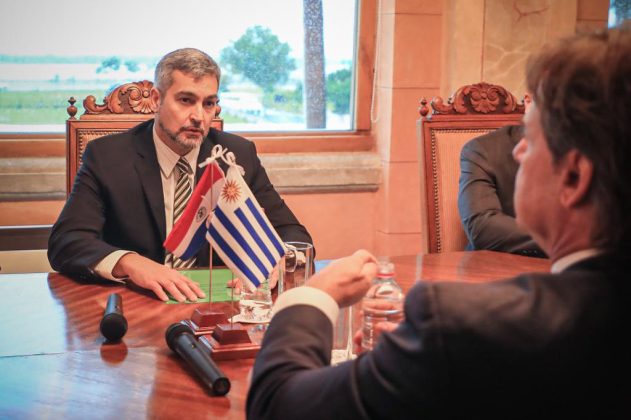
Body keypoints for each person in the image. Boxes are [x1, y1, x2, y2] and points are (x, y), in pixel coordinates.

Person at [247, 23, 631, 419]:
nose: (516, 152)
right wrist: (415, 367)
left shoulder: (459, 325)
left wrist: (314, 295)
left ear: (573, 177)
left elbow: (278, 405)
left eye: (529, 140)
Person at [48, 48, 312, 303]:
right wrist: (130, 262)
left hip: (217, 305)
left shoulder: (236, 155)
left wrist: (283, 258)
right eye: (186, 100)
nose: (198, 116)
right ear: (156, 100)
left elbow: (295, 235)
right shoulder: (108, 156)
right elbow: (66, 242)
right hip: (138, 303)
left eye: (209, 104)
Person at [458, 95, 545, 257]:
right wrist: (560, 239)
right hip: (498, 267)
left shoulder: (590, 149)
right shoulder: (483, 150)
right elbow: (482, 226)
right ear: (529, 101)